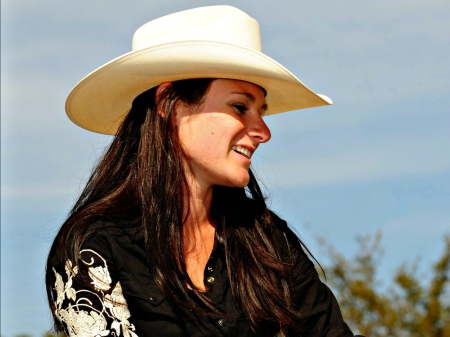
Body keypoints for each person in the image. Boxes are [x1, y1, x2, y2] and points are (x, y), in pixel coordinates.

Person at [46, 5, 363, 337]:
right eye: (240, 106)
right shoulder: (93, 249)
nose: (264, 131)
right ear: (170, 103)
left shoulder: (267, 241)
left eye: (261, 111)